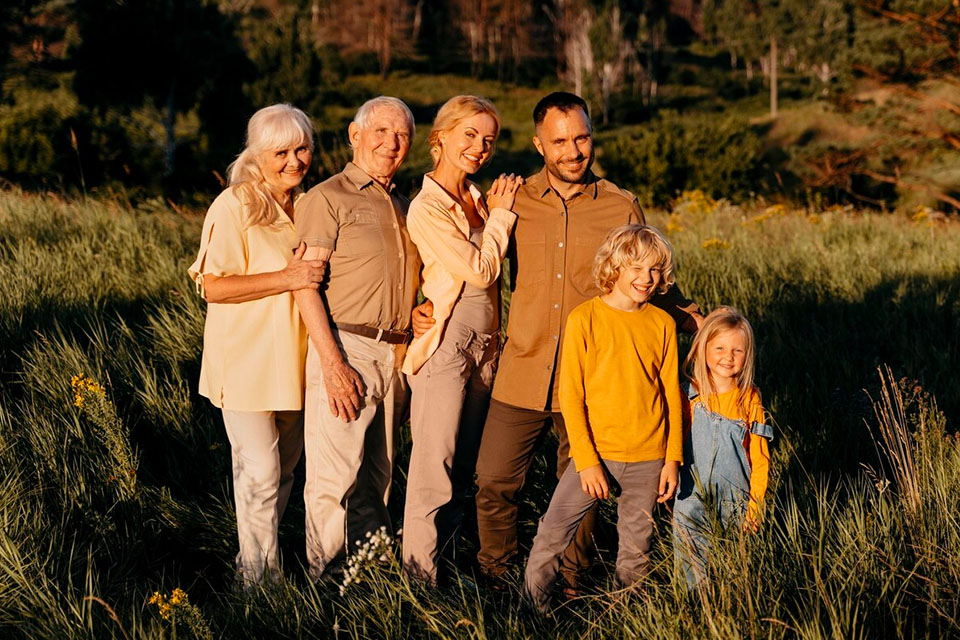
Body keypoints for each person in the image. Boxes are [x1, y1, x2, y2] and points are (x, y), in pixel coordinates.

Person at [414, 91, 701, 591]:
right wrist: (422, 305)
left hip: (594, 380)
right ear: (538, 145)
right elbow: (459, 259)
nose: (573, 151)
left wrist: (697, 317)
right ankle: (497, 579)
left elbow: (649, 276)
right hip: (521, 367)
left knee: (587, 489)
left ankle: (573, 581)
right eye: (560, 141)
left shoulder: (619, 203)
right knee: (495, 481)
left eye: (582, 138)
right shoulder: (511, 199)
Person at [187, 103, 325, 586]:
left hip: (297, 362)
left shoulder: (311, 205)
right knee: (262, 471)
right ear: (257, 155)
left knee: (284, 472)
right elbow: (212, 286)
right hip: (246, 363)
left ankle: (262, 563)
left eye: (302, 148)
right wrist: (286, 277)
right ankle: (258, 581)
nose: (293, 161)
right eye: (280, 152)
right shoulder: (236, 204)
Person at [522, 224, 683, 611]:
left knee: (636, 547)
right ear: (615, 266)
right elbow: (571, 396)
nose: (647, 279)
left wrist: (672, 459)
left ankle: (626, 615)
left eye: (656, 271)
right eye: (638, 268)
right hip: (594, 455)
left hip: (649, 458)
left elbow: (672, 396)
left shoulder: (662, 323)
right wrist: (589, 461)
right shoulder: (585, 318)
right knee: (552, 533)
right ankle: (533, 611)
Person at [293, 96, 421, 579]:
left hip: (396, 352)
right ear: (355, 134)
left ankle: (368, 581)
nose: (391, 143)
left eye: (402, 135)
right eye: (382, 131)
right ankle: (325, 584)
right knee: (333, 478)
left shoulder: (406, 206)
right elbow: (306, 286)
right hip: (346, 347)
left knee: (377, 478)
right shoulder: (327, 198)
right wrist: (332, 363)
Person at [400, 96, 523, 585]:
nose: (479, 146)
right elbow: (479, 267)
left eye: (488, 139)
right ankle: (418, 582)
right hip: (448, 343)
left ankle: (446, 570)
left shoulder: (477, 198)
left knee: (464, 468)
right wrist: (501, 216)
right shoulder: (426, 207)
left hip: (487, 345)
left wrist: (494, 211)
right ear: (441, 137)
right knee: (434, 467)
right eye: (469, 135)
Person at [672, 306, 773, 587]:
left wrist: (755, 507)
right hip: (689, 500)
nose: (728, 357)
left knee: (734, 574)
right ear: (703, 348)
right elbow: (670, 445)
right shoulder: (687, 395)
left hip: (736, 504)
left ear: (747, 355)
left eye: (737, 351)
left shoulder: (750, 400)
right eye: (719, 348)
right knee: (692, 576)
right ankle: (697, 617)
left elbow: (760, 459)